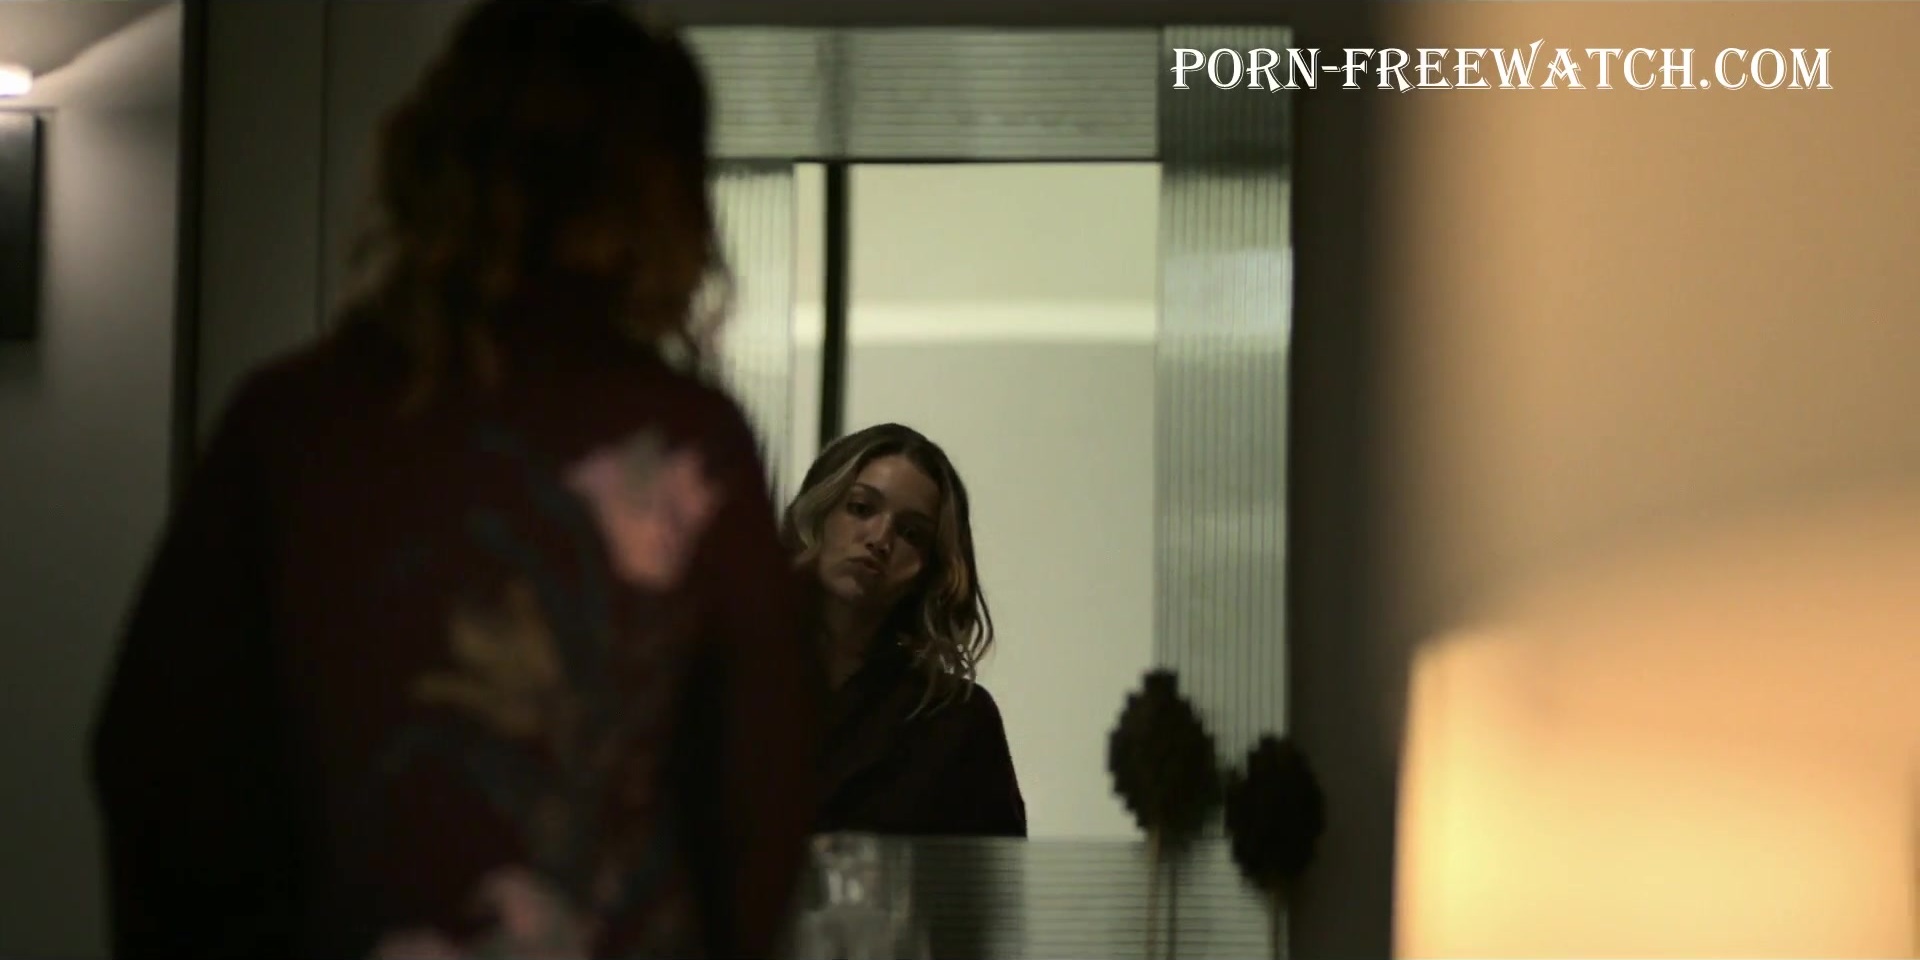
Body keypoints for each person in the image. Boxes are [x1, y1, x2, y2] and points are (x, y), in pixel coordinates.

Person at [88, 2, 821, 958]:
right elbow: (761, 790)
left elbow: (158, 761)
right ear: (662, 198)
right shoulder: (686, 443)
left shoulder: (296, 420)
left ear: (429, 159)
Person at [782, 423, 1027, 839]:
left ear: (929, 569)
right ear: (819, 512)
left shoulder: (957, 721)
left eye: (911, 533)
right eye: (861, 508)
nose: (880, 539)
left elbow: (990, 875)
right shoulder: (719, 678)